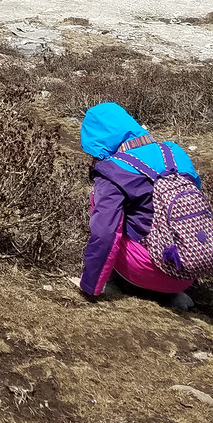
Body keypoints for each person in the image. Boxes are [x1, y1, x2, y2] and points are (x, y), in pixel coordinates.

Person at [79, 102, 205, 309]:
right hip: (188, 268)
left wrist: (89, 286)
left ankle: (132, 284)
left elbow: (105, 233)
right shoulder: (174, 152)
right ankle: (174, 292)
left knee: (103, 214)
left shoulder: (113, 170)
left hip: (144, 270)